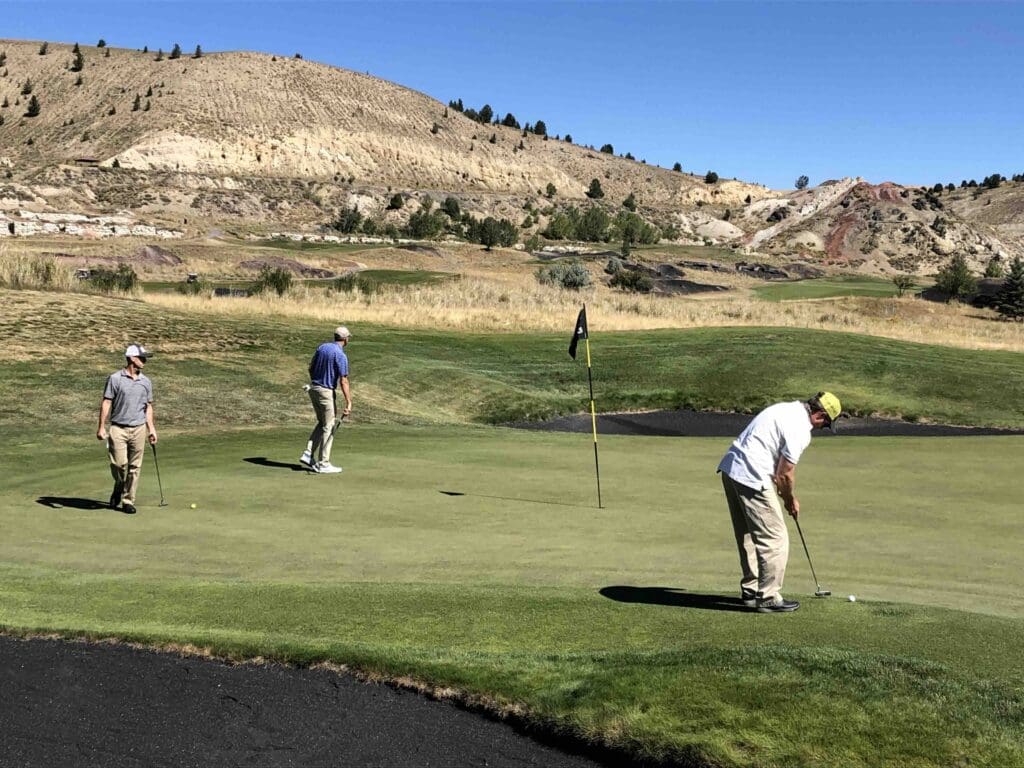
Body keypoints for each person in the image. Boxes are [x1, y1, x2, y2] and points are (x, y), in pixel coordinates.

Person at [717, 392, 842, 613]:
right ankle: (768, 597)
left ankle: (752, 589)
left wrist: (784, 494)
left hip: (732, 468)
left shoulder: (787, 408)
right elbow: (785, 473)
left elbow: (778, 468)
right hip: (752, 475)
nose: (821, 428)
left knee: (747, 533)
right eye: (825, 424)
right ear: (820, 415)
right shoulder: (801, 429)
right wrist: (790, 499)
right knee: (775, 538)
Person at [97, 344, 157, 514]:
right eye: (141, 357)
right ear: (131, 358)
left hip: (138, 428)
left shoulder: (146, 382)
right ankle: (119, 485)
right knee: (119, 464)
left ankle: (128, 500)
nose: (144, 361)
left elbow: (148, 407)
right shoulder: (115, 379)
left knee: (135, 467)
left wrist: (151, 429)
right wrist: (101, 426)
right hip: (118, 428)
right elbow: (107, 402)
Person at [300, 326, 352, 474]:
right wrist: (349, 402)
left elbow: (310, 368)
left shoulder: (322, 347)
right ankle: (323, 463)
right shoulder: (340, 355)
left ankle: (308, 452)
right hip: (325, 391)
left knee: (323, 422)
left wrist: (316, 381)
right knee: (329, 425)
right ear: (345, 339)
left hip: (313, 389)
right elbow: (344, 381)